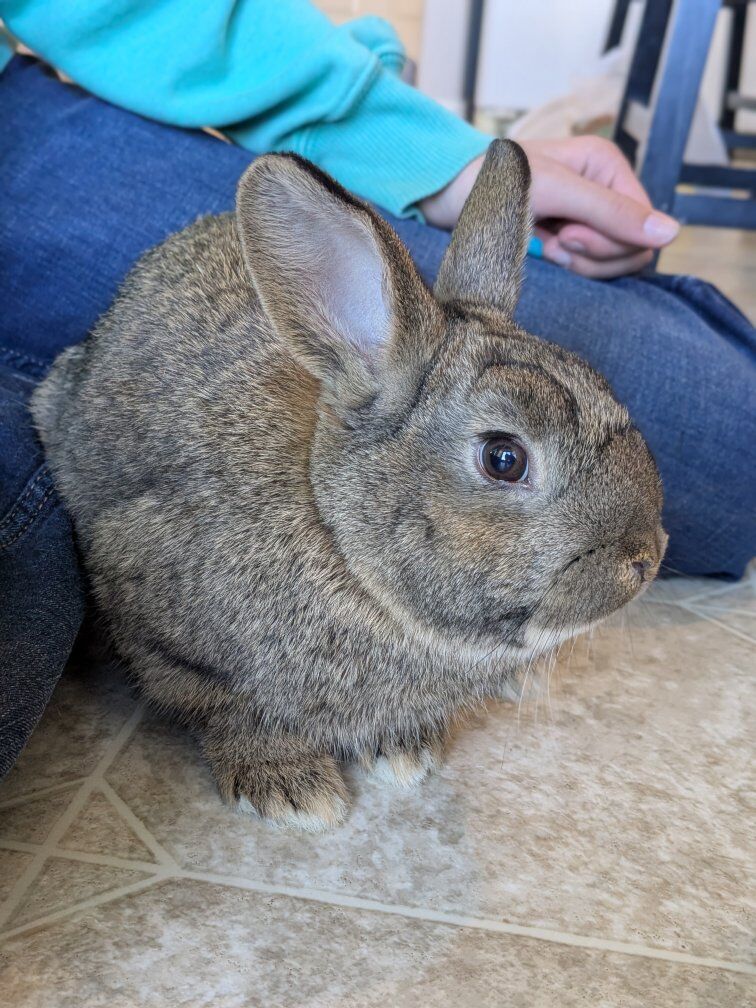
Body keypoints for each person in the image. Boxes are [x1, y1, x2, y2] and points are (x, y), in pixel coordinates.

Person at [1, 0, 754, 776]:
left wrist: (432, 158)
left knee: (732, 438)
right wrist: (248, 729)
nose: (645, 557)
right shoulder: (236, 569)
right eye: (503, 461)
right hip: (118, 297)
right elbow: (142, 583)